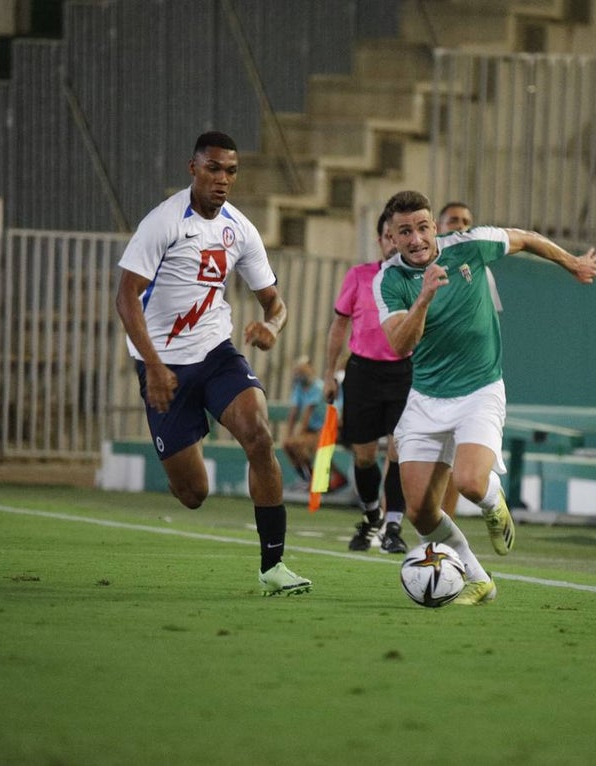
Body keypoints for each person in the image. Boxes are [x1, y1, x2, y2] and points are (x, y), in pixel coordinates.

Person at [376, 190, 596, 605]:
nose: (416, 238)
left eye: (423, 227)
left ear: (434, 227)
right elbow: (398, 344)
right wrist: (424, 297)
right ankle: (479, 580)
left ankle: (492, 500)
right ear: (391, 237)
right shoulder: (388, 280)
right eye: (404, 231)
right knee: (419, 512)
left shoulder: (469, 245)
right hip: (426, 399)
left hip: (479, 390)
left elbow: (527, 238)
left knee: (468, 481)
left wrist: (571, 263)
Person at [114, 130, 311, 597]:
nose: (223, 179)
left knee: (260, 436)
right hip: (163, 366)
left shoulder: (240, 229)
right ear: (193, 168)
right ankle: (181, 447)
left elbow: (275, 303)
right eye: (214, 169)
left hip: (217, 353)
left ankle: (273, 566)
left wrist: (273, 328)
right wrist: (155, 366)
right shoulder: (162, 222)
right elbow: (126, 298)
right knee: (193, 495)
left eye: (231, 171)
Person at [321, 211, 411, 554]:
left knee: (400, 450)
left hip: (404, 372)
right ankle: (372, 516)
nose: (394, 242)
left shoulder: (414, 279)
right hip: (362, 373)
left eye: (399, 236)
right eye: (389, 236)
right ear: (381, 240)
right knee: (364, 456)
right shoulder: (359, 276)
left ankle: (393, 527)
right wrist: (329, 374)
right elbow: (339, 327)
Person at [435, 201, 502, 519]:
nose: (460, 226)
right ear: (437, 225)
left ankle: (441, 536)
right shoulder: (421, 266)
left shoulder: (480, 270)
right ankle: (389, 522)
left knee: (451, 461)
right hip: (428, 377)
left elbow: (488, 323)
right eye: (453, 221)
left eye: (466, 220)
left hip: (469, 380)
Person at [282, 355, 347, 493]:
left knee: (302, 444)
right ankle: (309, 477)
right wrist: (288, 436)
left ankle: (322, 479)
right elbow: (293, 413)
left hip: (327, 428)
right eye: (298, 371)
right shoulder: (299, 388)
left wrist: (297, 437)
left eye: (303, 370)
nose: (300, 374)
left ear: (311, 369)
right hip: (312, 430)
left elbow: (306, 415)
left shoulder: (318, 387)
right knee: (288, 445)